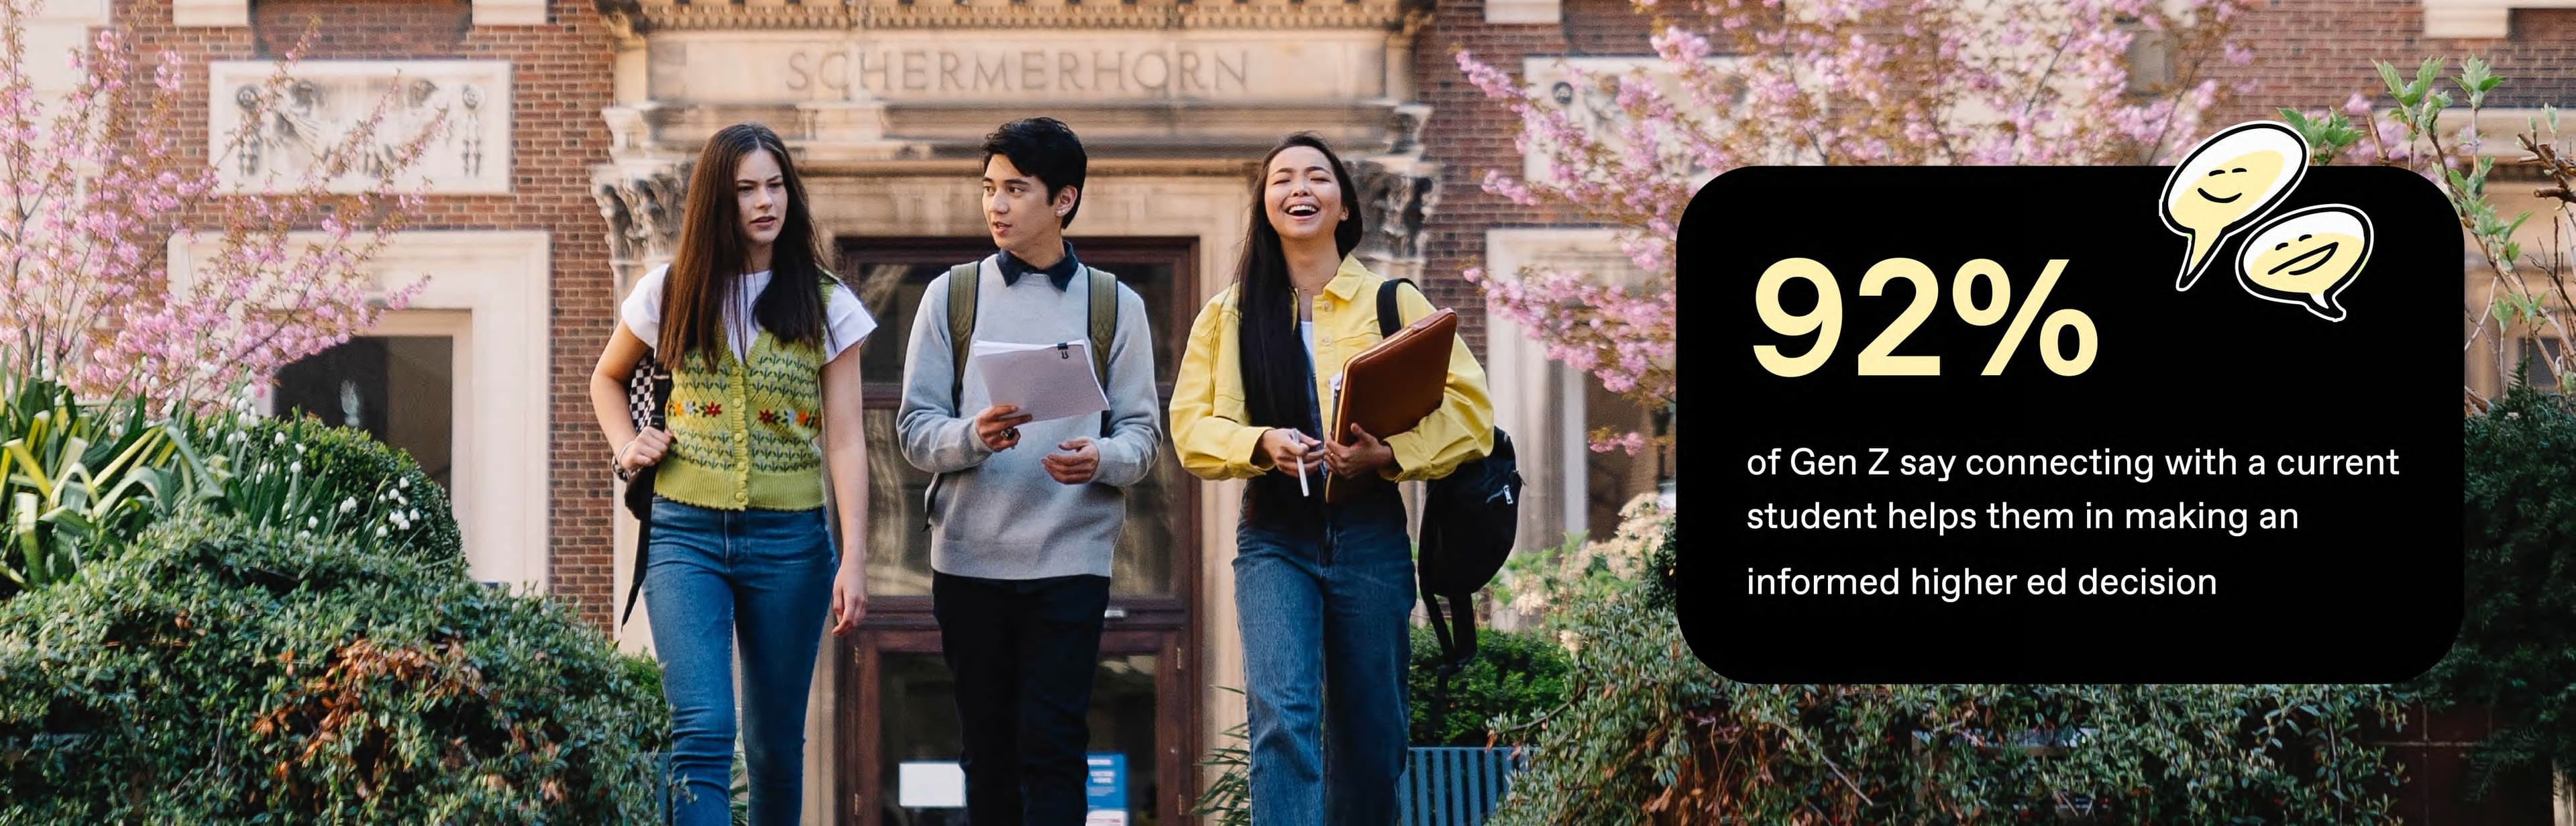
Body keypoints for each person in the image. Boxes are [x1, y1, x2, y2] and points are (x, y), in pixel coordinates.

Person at [1169, 132, 1494, 825]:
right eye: (1282, 178)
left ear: (1345, 205)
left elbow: (1473, 414)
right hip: (1275, 535)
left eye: (1317, 177)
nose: (1300, 189)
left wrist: (1389, 455)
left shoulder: (1392, 302)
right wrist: (1261, 441)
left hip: (1371, 533)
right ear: (1265, 204)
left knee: (1373, 729)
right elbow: (1191, 429)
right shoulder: (1228, 315)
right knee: (1282, 714)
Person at [587, 122, 876, 826]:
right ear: (719, 200)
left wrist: (856, 559)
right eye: (746, 189)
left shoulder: (827, 301)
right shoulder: (670, 290)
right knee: (705, 730)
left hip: (793, 544)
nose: (764, 202)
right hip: (685, 536)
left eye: (775, 186)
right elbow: (607, 378)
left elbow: (844, 440)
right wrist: (629, 447)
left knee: (775, 746)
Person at [896, 116, 1163, 825]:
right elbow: (914, 432)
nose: (997, 205)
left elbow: (1143, 437)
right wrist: (974, 436)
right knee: (986, 755)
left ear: (1064, 199)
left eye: (1016, 188)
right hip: (969, 562)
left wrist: (1099, 457)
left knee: (1055, 749)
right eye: (989, 188)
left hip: (1071, 559)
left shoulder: (1115, 305)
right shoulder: (949, 297)